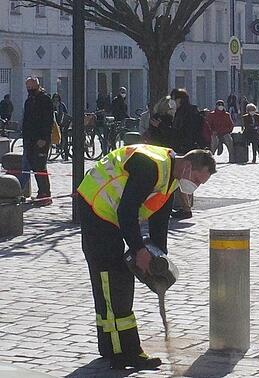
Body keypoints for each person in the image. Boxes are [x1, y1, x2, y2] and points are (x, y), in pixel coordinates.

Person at [77, 145, 215, 370]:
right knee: (113, 279)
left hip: (108, 212)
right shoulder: (150, 166)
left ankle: (109, 344)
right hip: (97, 208)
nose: (195, 187)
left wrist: (158, 258)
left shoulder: (171, 177)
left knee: (110, 281)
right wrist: (139, 250)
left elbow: (159, 222)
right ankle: (126, 353)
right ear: (188, 166)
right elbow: (126, 211)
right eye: (198, 181)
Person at [169, 89, 205, 219]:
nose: (172, 102)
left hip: (184, 149)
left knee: (180, 179)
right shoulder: (191, 111)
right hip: (190, 148)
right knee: (184, 179)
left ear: (179, 99)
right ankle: (186, 206)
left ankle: (186, 208)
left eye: (173, 98)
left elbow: (181, 132)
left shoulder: (184, 113)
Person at [21, 77, 54, 203]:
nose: (30, 90)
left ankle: (46, 194)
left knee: (40, 166)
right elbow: (27, 120)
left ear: (38, 86)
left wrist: (44, 138)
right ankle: (41, 192)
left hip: (41, 139)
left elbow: (48, 120)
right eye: (28, 88)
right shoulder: (29, 101)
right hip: (29, 139)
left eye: (32, 87)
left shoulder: (45, 99)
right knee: (34, 166)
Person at [52, 93, 71, 160]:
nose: (56, 99)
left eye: (57, 97)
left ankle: (66, 154)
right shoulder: (52, 105)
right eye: (55, 97)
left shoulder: (62, 105)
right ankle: (58, 147)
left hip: (62, 123)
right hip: (55, 123)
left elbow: (66, 113)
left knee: (64, 138)